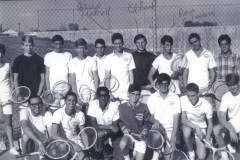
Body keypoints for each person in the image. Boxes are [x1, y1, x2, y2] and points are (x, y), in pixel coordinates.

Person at [147, 73, 181, 160]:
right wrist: (156, 121)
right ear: (157, 85)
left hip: (170, 130)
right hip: (157, 129)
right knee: (156, 139)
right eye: (161, 84)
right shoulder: (152, 97)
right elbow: (150, 117)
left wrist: (173, 138)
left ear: (169, 84)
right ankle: (156, 154)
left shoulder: (175, 97)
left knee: (168, 157)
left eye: (166, 84)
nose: (163, 86)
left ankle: (163, 151)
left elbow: (176, 121)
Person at [87, 86, 123, 159]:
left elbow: (115, 128)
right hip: (98, 133)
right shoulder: (92, 105)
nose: (103, 98)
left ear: (108, 97)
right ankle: (101, 152)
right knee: (98, 154)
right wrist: (109, 127)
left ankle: (108, 151)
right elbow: (93, 125)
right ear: (97, 96)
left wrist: (104, 132)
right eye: (101, 96)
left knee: (120, 157)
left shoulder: (114, 107)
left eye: (105, 96)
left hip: (112, 134)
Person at [52, 92, 88, 160]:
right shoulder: (57, 113)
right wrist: (72, 144)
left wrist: (87, 149)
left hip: (75, 140)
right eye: (69, 100)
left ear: (76, 102)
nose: (71, 102)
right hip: (61, 141)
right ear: (65, 101)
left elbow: (83, 133)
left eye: (73, 100)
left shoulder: (80, 114)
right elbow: (54, 135)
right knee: (63, 147)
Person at [181, 83, 213, 160]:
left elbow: (210, 124)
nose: (191, 98)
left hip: (201, 126)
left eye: (193, 95)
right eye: (188, 96)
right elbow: (184, 120)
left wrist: (207, 138)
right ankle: (191, 151)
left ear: (198, 94)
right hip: (188, 125)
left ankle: (201, 141)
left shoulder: (206, 105)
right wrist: (196, 127)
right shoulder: (182, 100)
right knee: (186, 132)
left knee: (201, 157)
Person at [119, 84, 151, 160]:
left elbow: (147, 122)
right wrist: (124, 129)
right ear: (128, 94)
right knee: (123, 144)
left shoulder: (144, 107)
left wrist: (144, 131)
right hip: (129, 136)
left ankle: (136, 153)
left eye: (137, 94)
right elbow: (119, 122)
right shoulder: (121, 107)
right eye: (132, 94)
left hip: (140, 137)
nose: (135, 96)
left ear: (140, 95)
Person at [213, 73, 240, 159]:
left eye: (234, 85)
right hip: (233, 123)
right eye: (229, 85)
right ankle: (225, 156)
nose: (232, 88)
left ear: (238, 83)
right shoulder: (226, 96)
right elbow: (221, 117)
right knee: (216, 129)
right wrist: (231, 129)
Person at [0, 43, 20, 155]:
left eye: (0, 52)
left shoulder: (8, 65)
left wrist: (11, 95)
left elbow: (12, 81)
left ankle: (12, 147)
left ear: (3, 54)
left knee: (8, 122)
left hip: (6, 96)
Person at [104, 33, 136, 101]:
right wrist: (109, 92)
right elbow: (107, 77)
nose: (118, 46)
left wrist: (131, 90)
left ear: (123, 43)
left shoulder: (129, 56)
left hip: (126, 92)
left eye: (120, 43)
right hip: (113, 92)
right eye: (116, 43)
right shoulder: (108, 58)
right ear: (113, 43)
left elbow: (131, 75)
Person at [20, 95, 52, 160]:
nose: (37, 106)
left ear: (42, 103)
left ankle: (42, 156)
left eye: (39, 103)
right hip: (31, 143)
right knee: (26, 136)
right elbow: (25, 128)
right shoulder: (24, 111)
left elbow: (52, 135)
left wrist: (44, 144)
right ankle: (26, 157)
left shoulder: (48, 114)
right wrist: (39, 142)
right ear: (29, 105)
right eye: (34, 104)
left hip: (43, 143)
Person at [214, 34, 240, 114]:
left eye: (226, 44)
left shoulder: (236, 57)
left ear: (229, 44)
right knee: (221, 114)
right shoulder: (215, 58)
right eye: (221, 45)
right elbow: (213, 74)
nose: (224, 46)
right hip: (220, 86)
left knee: (234, 113)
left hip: (232, 85)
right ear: (219, 46)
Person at [69, 38, 99, 104]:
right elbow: (73, 80)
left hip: (92, 92)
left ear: (86, 49)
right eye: (80, 48)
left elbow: (96, 77)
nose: (82, 50)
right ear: (76, 49)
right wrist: (76, 95)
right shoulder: (72, 62)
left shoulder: (92, 60)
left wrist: (96, 93)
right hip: (79, 93)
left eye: (84, 48)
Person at [131, 34, 156, 103]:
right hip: (136, 89)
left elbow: (155, 75)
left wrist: (152, 87)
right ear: (135, 44)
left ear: (146, 43)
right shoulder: (131, 57)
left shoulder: (152, 57)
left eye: (142, 42)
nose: (141, 44)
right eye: (138, 43)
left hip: (148, 89)